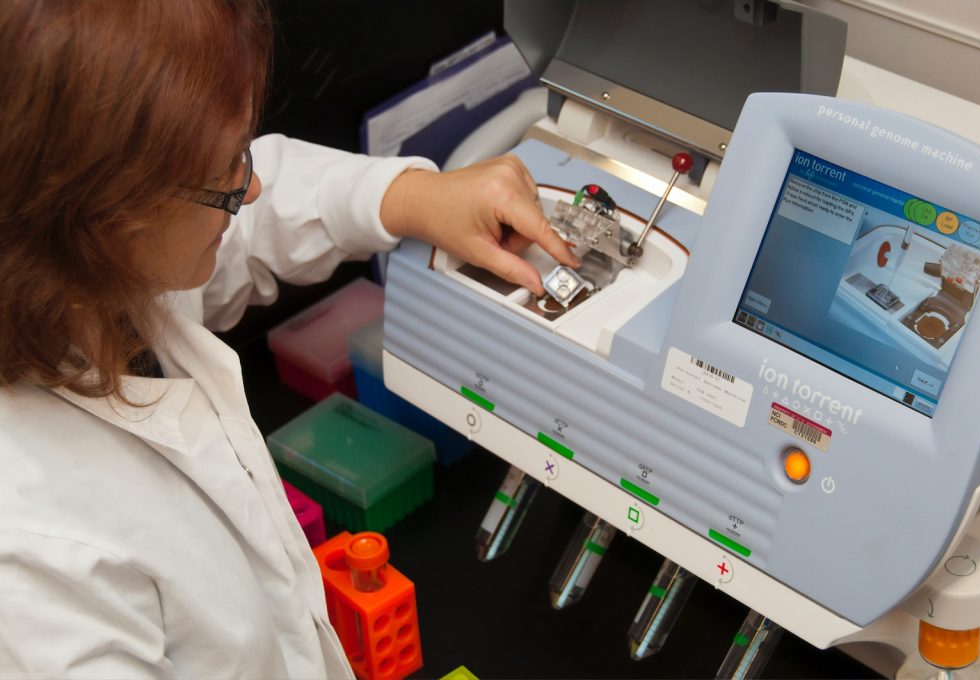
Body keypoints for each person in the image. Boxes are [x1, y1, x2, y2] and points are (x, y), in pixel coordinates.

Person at [0, 1, 578, 677]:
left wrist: (416, 195)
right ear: (97, 213)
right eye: (224, 178)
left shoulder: (77, 268)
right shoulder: (38, 577)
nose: (248, 190)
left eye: (239, 153)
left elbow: (255, 211)